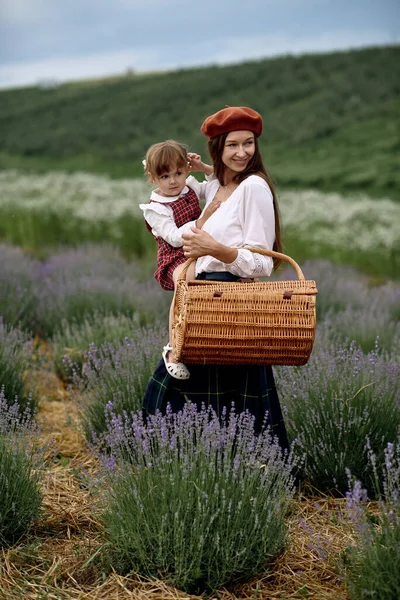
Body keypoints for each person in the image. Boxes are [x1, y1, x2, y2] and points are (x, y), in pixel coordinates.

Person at [143, 107, 289, 449]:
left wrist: (215, 248)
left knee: (227, 407)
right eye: (232, 145)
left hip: (232, 307)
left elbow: (262, 263)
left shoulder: (253, 187)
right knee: (175, 398)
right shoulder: (218, 185)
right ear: (217, 149)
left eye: (249, 143)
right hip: (203, 302)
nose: (242, 152)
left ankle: (249, 482)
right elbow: (204, 191)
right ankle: (183, 476)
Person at [139, 140, 220, 380]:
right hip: (176, 255)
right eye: (165, 176)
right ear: (153, 178)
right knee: (185, 282)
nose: (173, 181)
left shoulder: (190, 186)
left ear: (186, 170)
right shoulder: (155, 208)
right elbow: (174, 238)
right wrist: (203, 221)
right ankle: (174, 346)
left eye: (178, 173)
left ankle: (205, 331)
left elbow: (216, 186)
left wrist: (204, 167)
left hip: (199, 246)